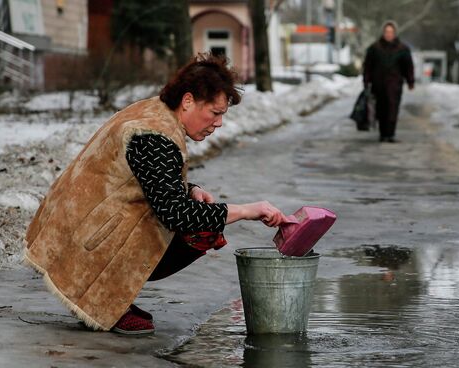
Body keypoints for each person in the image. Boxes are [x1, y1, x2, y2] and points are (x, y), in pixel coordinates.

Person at [24, 54, 287, 335]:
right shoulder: (154, 136)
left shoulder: (153, 112)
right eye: (215, 112)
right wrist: (247, 210)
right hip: (85, 238)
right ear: (188, 101)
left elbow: (140, 177)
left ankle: (113, 294)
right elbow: (176, 214)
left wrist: (190, 189)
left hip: (75, 225)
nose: (219, 122)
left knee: (194, 215)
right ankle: (102, 298)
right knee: (198, 228)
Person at [363, 20, 415, 143]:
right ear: (383, 32)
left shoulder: (402, 49)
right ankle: (383, 134)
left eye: (391, 32)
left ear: (395, 33)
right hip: (378, 84)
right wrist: (366, 81)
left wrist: (410, 81)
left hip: (394, 84)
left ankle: (390, 134)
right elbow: (367, 66)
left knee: (393, 108)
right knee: (381, 109)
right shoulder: (375, 48)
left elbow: (408, 66)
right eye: (387, 32)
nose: (389, 34)